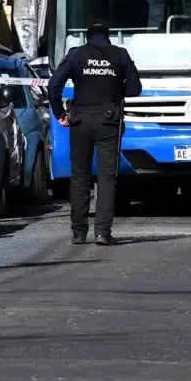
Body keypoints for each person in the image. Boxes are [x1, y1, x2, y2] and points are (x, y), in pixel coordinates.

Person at [47, 18, 142, 246]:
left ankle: (78, 233)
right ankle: (102, 233)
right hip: (109, 121)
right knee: (107, 177)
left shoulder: (76, 54)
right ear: (108, 36)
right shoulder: (120, 54)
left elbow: (53, 86)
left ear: (87, 36)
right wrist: (116, 85)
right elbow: (135, 89)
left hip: (79, 121)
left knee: (80, 177)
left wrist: (60, 113)